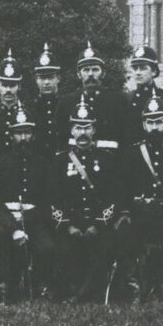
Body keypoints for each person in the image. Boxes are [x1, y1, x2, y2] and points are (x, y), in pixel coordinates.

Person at [119, 87, 163, 300]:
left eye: (159, 122)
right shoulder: (131, 154)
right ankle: (134, 287)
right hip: (140, 213)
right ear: (143, 124)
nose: (155, 128)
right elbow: (123, 188)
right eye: (150, 122)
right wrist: (126, 212)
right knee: (125, 232)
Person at [50, 98, 124, 301]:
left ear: (94, 130)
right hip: (70, 224)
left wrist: (98, 225)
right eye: (77, 127)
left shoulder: (107, 159)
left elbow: (114, 197)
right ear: (71, 131)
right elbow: (53, 197)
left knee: (104, 248)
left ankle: (82, 294)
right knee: (62, 249)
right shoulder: (59, 161)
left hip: (98, 224)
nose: (82, 133)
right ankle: (72, 289)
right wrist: (67, 226)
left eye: (87, 127)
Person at [0, 104, 53, 300]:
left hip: (33, 218)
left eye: (26, 133)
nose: (23, 138)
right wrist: (14, 226)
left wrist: (30, 220)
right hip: (5, 220)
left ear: (33, 135)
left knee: (47, 247)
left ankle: (35, 283)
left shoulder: (43, 163)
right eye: (18, 133)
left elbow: (47, 198)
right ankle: (3, 287)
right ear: (11, 136)